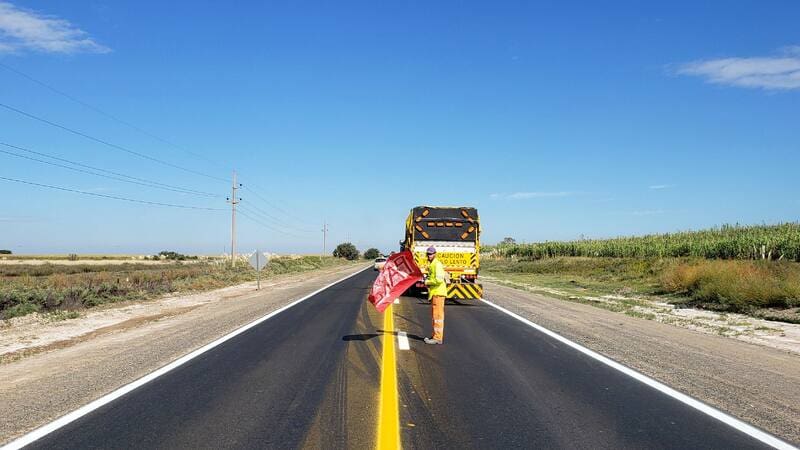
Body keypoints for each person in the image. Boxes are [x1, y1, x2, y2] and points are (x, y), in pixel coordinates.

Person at [423, 246, 447, 345]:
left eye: (431, 254)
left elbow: (439, 280)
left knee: (437, 316)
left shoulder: (437, 264)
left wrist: (428, 282)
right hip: (435, 293)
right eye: (428, 254)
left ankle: (437, 338)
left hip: (438, 293)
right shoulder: (432, 264)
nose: (429, 256)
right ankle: (435, 336)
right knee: (435, 316)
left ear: (435, 254)